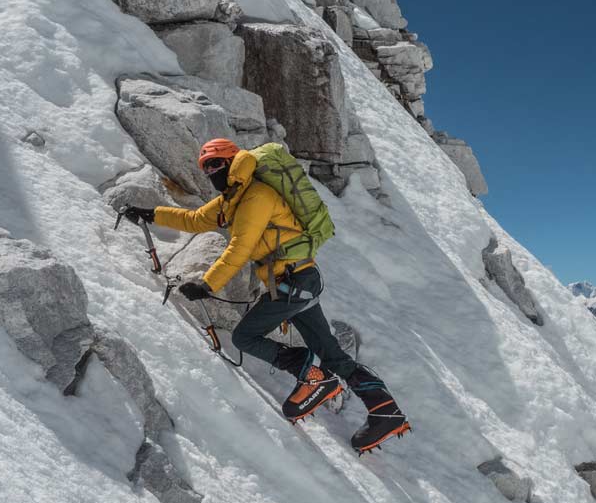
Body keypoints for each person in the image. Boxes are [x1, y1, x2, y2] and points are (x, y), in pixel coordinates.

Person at [123, 138, 409, 453]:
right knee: (331, 353)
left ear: (234, 161)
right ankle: (385, 411)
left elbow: (240, 247)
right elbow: (194, 220)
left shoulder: (256, 196)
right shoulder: (233, 199)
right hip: (298, 281)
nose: (211, 171)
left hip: (293, 282)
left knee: (246, 336)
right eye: (206, 167)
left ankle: (314, 377)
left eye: (217, 163)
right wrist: (151, 215)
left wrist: (207, 284)